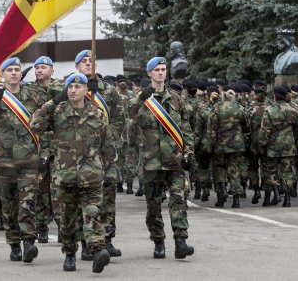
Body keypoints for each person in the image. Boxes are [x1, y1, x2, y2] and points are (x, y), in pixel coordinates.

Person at [30, 72, 114, 273]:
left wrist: (110, 171)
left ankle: (97, 251)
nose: (73, 90)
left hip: (91, 176)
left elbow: (107, 146)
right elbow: (35, 124)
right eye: (70, 87)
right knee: (67, 219)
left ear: (86, 90)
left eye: (78, 87)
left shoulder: (97, 114)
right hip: (65, 176)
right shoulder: (57, 112)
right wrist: (52, 102)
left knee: (92, 214)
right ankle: (69, 254)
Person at [128, 57, 195, 260]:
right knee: (154, 205)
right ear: (149, 73)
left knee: (178, 200)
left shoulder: (176, 98)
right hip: (151, 161)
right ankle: (158, 241)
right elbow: (129, 115)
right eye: (156, 70)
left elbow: (186, 129)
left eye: (163, 69)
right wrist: (140, 99)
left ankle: (181, 241)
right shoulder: (142, 99)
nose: (160, 73)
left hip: (174, 160)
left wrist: (189, 152)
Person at [0, 57, 44, 263]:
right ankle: (14, 243)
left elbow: (45, 123)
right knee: (8, 205)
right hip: (3, 160)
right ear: (3, 75)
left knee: (28, 202)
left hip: (28, 160)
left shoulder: (33, 96)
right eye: (10, 70)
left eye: (17, 69)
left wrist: (45, 154)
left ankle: (29, 242)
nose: (15, 73)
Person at [74, 50, 124, 259]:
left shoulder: (109, 90)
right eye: (83, 62)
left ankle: (107, 240)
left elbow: (118, 119)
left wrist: (107, 141)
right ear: (77, 67)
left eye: (91, 61)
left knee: (108, 197)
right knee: (84, 199)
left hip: (105, 154)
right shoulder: (72, 89)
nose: (88, 64)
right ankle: (86, 242)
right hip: (81, 155)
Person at [25, 56, 63, 244]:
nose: (40, 70)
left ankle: (62, 225)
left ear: (52, 71)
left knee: (59, 189)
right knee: (40, 188)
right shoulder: (29, 91)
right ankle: (41, 226)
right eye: (37, 67)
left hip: (60, 146)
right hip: (38, 145)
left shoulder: (62, 88)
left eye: (44, 67)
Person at [207, 87, 249, 208]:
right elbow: (246, 126)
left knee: (220, 169)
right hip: (237, 145)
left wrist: (211, 146)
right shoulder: (239, 108)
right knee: (234, 171)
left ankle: (222, 193)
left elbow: (211, 130)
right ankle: (236, 201)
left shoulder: (216, 109)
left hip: (220, 145)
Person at [258, 86, 298, 207]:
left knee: (271, 171)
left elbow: (265, 130)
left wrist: (262, 144)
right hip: (288, 146)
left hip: (273, 146)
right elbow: (296, 128)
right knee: (287, 172)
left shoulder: (269, 110)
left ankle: (276, 193)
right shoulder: (293, 110)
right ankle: (287, 199)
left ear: (275, 96)